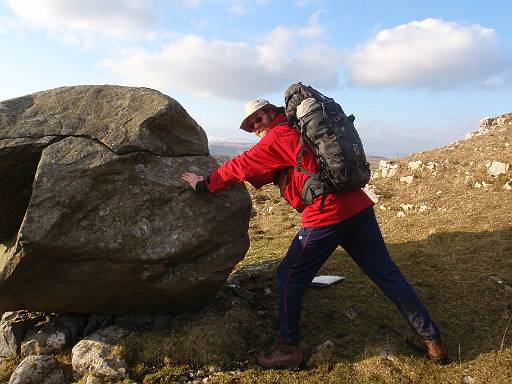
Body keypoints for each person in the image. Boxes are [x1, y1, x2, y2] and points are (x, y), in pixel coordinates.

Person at [181, 99, 449, 369]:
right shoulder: (299, 129)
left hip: (326, 214)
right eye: (250, 126)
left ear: (270, 112)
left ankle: (288, 349)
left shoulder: (277, 136)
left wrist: (203, 185)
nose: (255, 127)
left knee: (289, 276)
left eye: (257, 120)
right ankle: (431, 339)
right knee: (386, 272)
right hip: (357, 204)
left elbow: (240, 164)